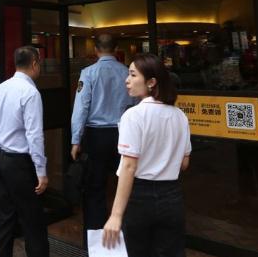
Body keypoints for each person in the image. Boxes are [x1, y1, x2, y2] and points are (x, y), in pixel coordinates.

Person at [103, 53, 191, 257]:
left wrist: (115, 215)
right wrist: (164, 161)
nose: (127, 80)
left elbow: (128, 166)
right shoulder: (180, 115)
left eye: (133, 75)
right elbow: (184, 163)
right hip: (172, 197)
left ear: (151, 82)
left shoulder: (133, 116)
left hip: (140, 197)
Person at [0, 46, 49, 257]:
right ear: (34, 63)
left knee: (5, 216)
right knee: (33, 220)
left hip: (2, 159)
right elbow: (34, 135)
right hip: (20, 164)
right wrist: (41, 171)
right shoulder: (30, 92)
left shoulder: (1, 88)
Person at [70, 34, 134, 239]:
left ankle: (96, 239)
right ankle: (127, 235)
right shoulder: (128, 73)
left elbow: (81, 108)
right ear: (116, 49)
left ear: (96, 50)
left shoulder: (88, 73)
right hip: (123, 133)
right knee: (124, 184)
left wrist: (75, 140)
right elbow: (135, 107)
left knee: (95, 187)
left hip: (96, 136)